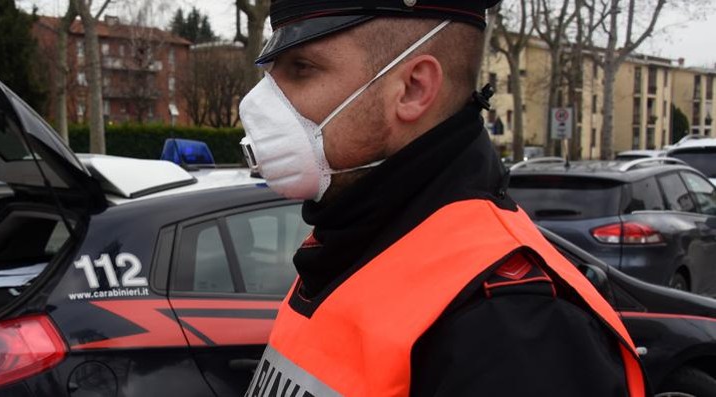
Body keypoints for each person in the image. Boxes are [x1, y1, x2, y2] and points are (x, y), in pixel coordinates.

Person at [238, 1, 647, 396]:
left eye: (301, 69)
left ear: (413, 89)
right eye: (274, 71)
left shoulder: (511, 327)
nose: (262, 100)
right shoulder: (350, 245)